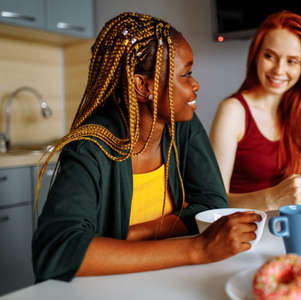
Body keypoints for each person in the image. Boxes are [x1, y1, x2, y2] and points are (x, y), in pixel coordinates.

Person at [32, 12, 261, 282]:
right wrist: (197, 248)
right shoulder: (91, 146)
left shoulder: (180, 123)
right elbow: (57, 251)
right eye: (186, 74)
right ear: (143, 86)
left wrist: (133, 235)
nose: (195, 84)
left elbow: (211, 204)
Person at [209, 11, 301, 217]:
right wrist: (272, 199)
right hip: (245, 233)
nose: (279, 70)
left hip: (291, 227)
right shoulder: (233, 111)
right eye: (269, 56)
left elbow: (298, 185)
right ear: (256, 55)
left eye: (292, 61)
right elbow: (213, 201)